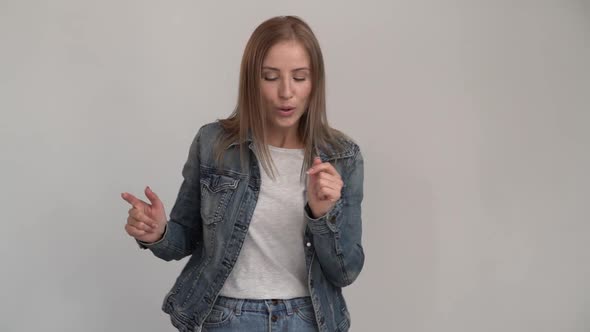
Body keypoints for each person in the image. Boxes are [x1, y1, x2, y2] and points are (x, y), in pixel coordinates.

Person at [121, 15, 364, 332]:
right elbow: (185, 238)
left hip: (308, 320)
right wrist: (158, 233)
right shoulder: (213, 144)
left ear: (315, 82)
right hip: (225, 318)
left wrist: (322, 215)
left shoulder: (343, 156)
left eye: (300, 77)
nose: (286, 92)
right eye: (270, 76)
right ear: (252, 80)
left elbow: (345, 271)